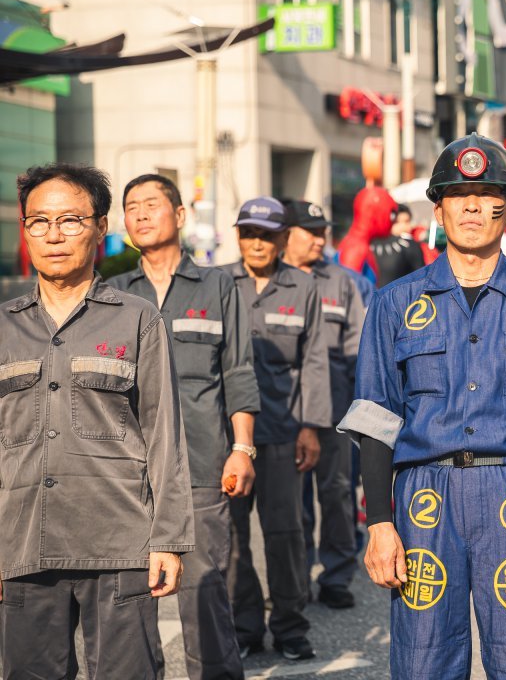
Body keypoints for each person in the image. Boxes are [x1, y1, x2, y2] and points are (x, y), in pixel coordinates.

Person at [338, 133, 506, 680]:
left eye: (487, 197)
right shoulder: (393, 304)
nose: (473, 207)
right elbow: (377, 424)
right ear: (439, 209)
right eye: (459, 196)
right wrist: (380, 526)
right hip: (424, 502)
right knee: (423, 662)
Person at [0, 164, 194, 679]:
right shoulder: (3, 327)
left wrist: (169, 541)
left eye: (70, 220)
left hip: (119, 546)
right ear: (25, 230)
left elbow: (165, 438)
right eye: (39, 222)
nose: (54, 235)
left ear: (100, 227)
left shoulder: (137, 319)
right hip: (23, 548)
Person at [112, 174, 261, 680]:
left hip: (200, 465)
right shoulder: (112, 295)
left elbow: (238, 370)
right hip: (125, 475)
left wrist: (243, 447)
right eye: (131, 207)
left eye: (152, 204)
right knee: (129, 604)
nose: (140, 214)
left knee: (204, 592)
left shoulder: (218, 286)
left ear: (179, 215)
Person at [220, 197, 331, 661]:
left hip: (284, 432)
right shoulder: (217, 283)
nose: (257, 243)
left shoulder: (302, 286)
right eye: (249, 233)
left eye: (266, 235)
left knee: (286, 535)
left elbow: (314, 361)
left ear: (283, 239)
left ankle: (290, 626)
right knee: (231, 539)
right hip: (227, 439)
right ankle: (244, 627)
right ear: (238, 236)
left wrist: (311, 427)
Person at [281, 199, 366, 611]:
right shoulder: (270, 281)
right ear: (286, 234)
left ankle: (336, 575)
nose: (320, 240)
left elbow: (358, 352)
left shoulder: (342, 283)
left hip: (335, 410)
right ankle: (295, 579)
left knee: (336, 495)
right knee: (292, 503)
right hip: (283, 412)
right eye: (310, 232)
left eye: (322, 232)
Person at [373, 203, 427, 287]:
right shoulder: (375, 245)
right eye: (397, 222)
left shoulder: (414, 245)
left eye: (407, 221)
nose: (403, 226)